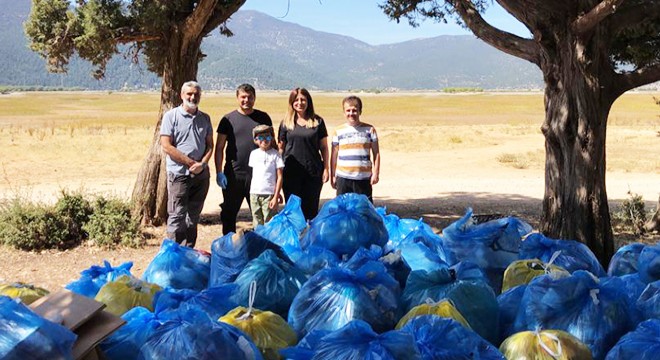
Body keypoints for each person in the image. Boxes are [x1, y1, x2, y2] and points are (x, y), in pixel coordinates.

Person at [159, 80, 213, 248]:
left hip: (201, 175)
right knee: (176, 215)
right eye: (189, 94)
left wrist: (202, 165)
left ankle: (188, 251)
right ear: (182, 95)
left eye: (196, 94)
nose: (193, 97)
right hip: (179, 174)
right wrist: (191, 163)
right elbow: (166, 145)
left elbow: (210, 145)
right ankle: (174, 253)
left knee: (193, 216)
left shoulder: (205, 118)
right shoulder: (171, 116)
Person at [215, 83, 272, 234]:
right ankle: (229, 248)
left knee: (260, 215)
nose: (246, 100)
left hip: (259, 175)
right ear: (237, 98)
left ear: (255, 98)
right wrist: (219, 172)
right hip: (234, 174)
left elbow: (272, 144)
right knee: (229, 213)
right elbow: (219, 147)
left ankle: (260, 248)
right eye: (243, 97)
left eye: (250, 97)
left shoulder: (263, 117)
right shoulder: (228, 119)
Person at [277, 88, 330, 221]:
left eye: (303, 100)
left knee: (311, 210)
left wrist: (326, 168)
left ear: (308, 102)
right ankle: (295, 239)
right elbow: (280, 149)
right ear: (291, 102)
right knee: (293, 210)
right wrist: (276, 172)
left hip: (313, 172)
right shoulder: (285, 123)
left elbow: (324, 147)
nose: (300, 103)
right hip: (290, 173)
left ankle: (309, 240)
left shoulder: (318, 121)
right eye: (296, 100)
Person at [330, 95, 380, 203]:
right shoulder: (338, 131)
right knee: (342, 210)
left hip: (363, 178)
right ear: (344, 112)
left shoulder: (370, 130)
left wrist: (376, 173)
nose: (351, 113)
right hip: (343, 177)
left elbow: (376, 153)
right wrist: (332, 176)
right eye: (348, 110)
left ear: (360, 111)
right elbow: (333, 156)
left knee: (363, 210)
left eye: (354, 110)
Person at [248, 125, 284, 227]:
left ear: (271, 138)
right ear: (256, 140)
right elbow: (255, 174)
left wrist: (276, 195)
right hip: (254, 193)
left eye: (267, 137)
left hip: (269, 194)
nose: (264, 141)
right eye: (261, 138)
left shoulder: (276, 155)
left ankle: (269, 242)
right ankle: (259, 241)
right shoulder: (253, 154)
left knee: (269, 221)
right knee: (257, 221)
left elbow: (279, 177)